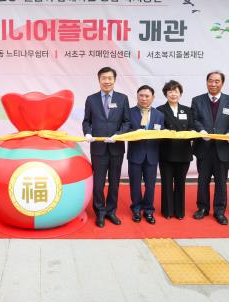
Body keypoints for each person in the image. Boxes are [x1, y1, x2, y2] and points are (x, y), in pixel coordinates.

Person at [191, 71, 229, 225]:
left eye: (217, 81)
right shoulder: (197, 100)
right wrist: (201, 131)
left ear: (222, 83)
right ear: (206, 82)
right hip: (204, 148)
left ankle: (219, 211)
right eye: (210, 81)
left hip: (223, 148)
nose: (213, 84)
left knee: (221, 182)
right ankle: (202, 208)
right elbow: (194, 119)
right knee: (203, 181)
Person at [82, 66, 131, 227]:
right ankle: (100, 212)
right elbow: (86, 121)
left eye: (110, 78)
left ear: (114, 80)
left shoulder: (122, 99)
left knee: (115, 182)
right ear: (99, 80)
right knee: (98, 183)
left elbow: (127, 122)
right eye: (104, 78)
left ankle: (111, 211)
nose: (107, 81)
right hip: (98, 148)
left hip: (116, 148)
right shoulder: (91, 99)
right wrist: (87, 133)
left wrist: (118, 135)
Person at [156, 80, 194, 220]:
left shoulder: (187, 110)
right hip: (166, 152)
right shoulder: (159, 110)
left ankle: (179, 212)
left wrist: (191, 132)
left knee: (180, 183)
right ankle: (167, 211)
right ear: (166, 94)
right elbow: (157, 128)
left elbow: (192, 127)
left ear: (180, 94)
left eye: (176, 91)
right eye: (170, 91)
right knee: (166, 183)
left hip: (183, 152)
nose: (173, 94)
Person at [126, 85, 164, 224]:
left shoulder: (159, 115)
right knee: (135, 184)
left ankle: (148, 210)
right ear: (137, 96)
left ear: (153, 98)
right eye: (141, 95)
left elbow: (162, 133)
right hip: (135, 154)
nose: (143, 98)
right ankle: (136, 209)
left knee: (150, 185)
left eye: (147, 96)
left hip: (152, 155)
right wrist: (135, 133)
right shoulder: (129, 112)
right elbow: (125, 130)